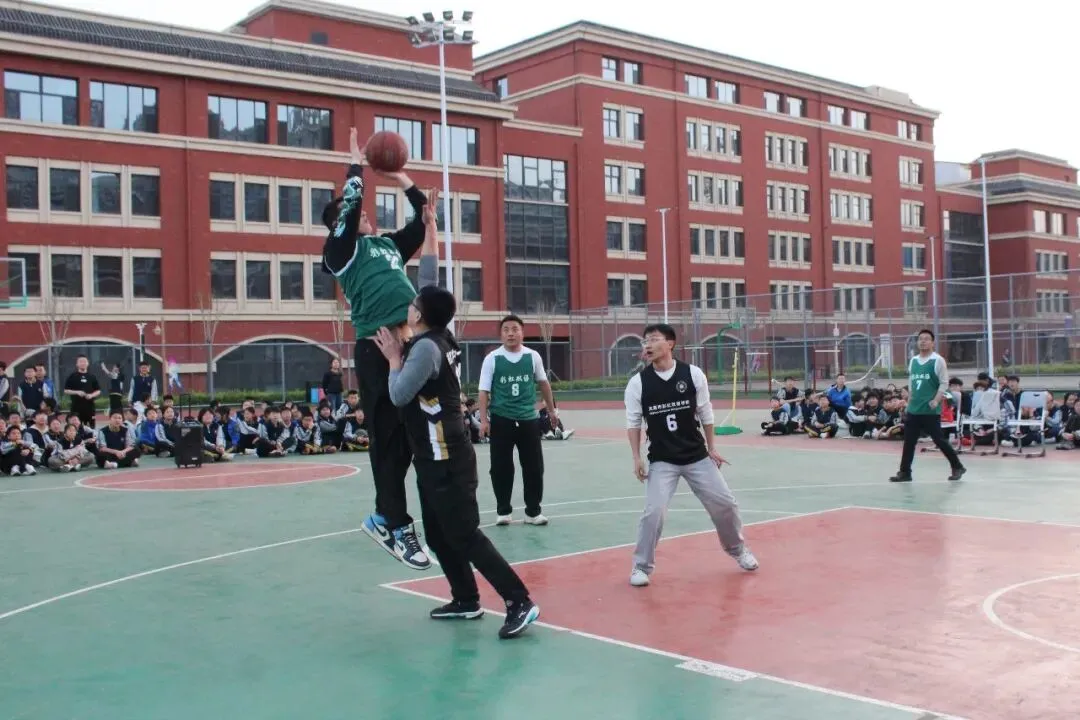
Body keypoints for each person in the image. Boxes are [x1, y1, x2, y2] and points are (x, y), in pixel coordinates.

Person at [374, 280, 540, 639]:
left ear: (419, 315)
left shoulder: (426, 349)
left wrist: (393, 360)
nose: (409, 306)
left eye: (413, 303)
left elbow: (400, 395)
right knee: (438, 534)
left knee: (464, 534)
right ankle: (465, 598)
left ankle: (519, 600)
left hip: (445, 456)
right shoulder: (439, 337)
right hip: (433, 454)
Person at [321, 126, 432, 571]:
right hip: (376, 347)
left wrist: (401, 177)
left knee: (411, 438)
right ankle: (397, 525)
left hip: (409, 343)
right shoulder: (340, 253)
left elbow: (422, 219)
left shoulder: (386, 245)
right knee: (386, 439)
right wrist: (356, 166)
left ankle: (384, 514)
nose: (365, 214)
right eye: (355, 214)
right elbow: (350, 208)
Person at [624, 323, 758, 587]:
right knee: (653, 513)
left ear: (670, 343)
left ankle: (738, 550)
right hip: (662, 459)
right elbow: (633, 422)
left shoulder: (693, 374)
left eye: (653, 339)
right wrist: (636, 457)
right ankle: (641, 566)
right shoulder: (638, 383)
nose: (647, 345)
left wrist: (712, 448)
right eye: (645, 341)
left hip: (696, 456)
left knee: (725, 504)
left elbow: (706, 413)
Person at [477, 315, 558, 526]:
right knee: (500, 468)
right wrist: (484, 421)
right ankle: (503, 511)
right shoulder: (492, 358)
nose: (511, 333)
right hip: (501, 419)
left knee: (534, 467)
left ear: (522, 333)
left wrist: (552, 411)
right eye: (506, 330)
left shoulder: (532, 356)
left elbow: (544, 384)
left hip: (528, 419)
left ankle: (533, 512)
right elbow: (483, 391)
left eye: (515, 329)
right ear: (501, 335)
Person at [889, 329, 967, 482]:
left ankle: (957, 466)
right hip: (914, 408)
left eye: (926, 339)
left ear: (932, 342)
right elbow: (912, 383)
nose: (923, 341)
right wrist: (908, 402)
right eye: (920, 339)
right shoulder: (913, 361)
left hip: (929, 409)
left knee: (939, 440)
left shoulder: (937, 360)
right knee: (909, 441)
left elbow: (944, 383)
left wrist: (936, 400)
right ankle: (905, 472)